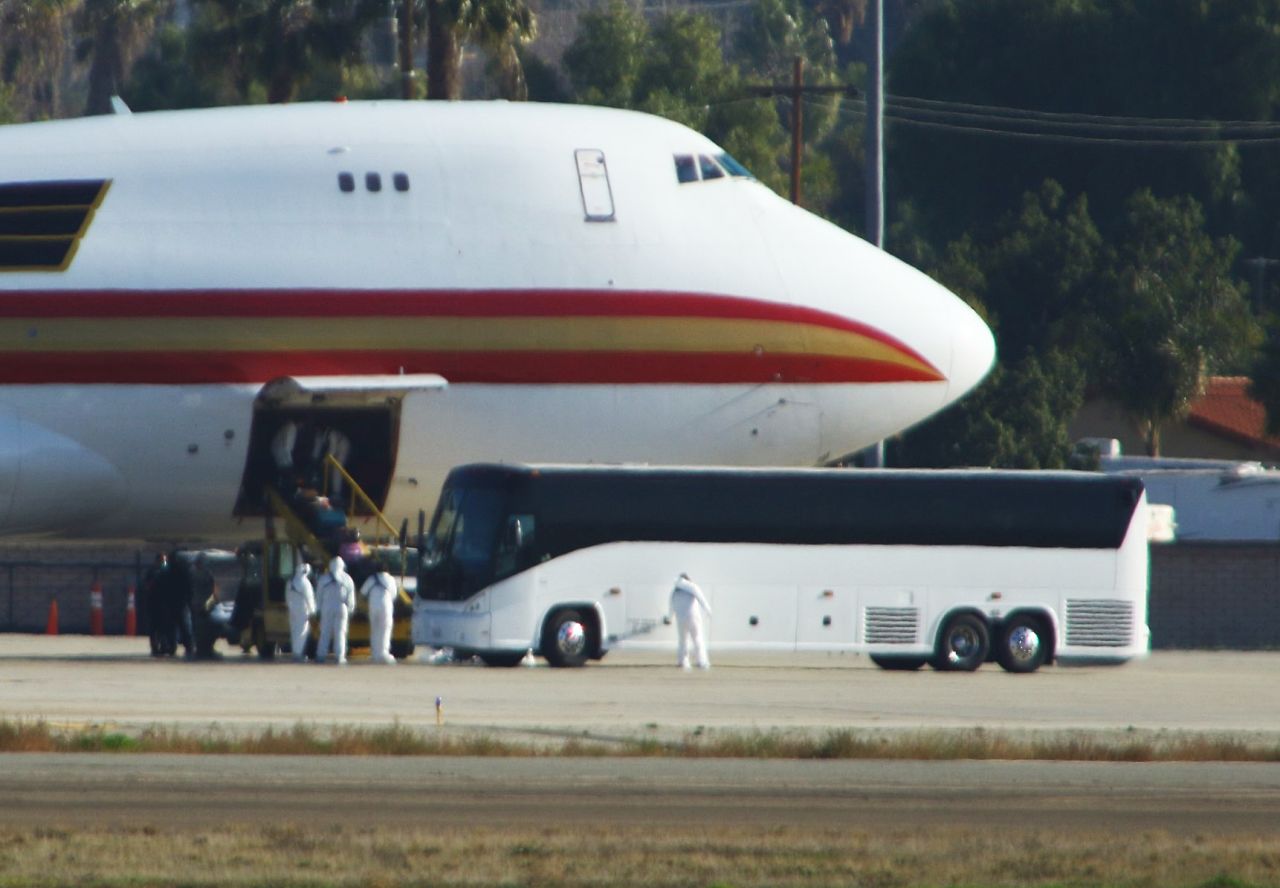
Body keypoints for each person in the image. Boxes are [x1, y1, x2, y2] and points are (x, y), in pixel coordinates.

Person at [314, 556, 355, 665]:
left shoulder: (323, 579)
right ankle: (340, 656)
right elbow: (351, 598)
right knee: (341, 633)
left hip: (326, 607)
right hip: (342, 607)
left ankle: (321, 655)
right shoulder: (347, 579)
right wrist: (350, 609)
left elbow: (318, 596)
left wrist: (317, 610)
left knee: (324, 632)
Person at [669, 572, 712, 670]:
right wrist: (708, 610)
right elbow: (702, 599)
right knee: (697, 639)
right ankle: (702, 661)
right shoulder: (692, 588)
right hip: (694, 618)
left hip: (680, 619)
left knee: (683, 641)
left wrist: (669, 618)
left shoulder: (675, 592)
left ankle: (683, 662)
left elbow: (671, 606)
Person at [360, 560, 398, 665]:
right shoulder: (390, 579)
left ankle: (375, 653)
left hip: (373, 606)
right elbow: (394, 594)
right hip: (386, 607)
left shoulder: (371, 579)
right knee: (385, 629)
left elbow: (363, 592)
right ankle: (384, 653)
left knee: (375, 630)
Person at [188, 553, 221, 660]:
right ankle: (207, 649)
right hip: (205, 606)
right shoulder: (207, 574)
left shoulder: (191, 574)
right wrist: (210, 605)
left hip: (195, 605)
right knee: (208, 628)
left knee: (197, 629)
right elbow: (214, 593)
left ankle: (200, 649)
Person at [286, 561, 316, 663]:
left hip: (292, 610)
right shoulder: (305, 583)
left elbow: (287, 597)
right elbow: (309, 598)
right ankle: (298, 654)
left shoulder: (290, 582)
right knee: (302, 633)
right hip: (303, 611)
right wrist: (312, 611)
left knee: (294, 632)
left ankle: (295, 652)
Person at [142, 553, 170, 657]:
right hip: (154, 603)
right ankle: (155, 647)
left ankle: (164, 646)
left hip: (164, 603)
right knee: (154, 628)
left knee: (164, 627)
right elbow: (147, 586)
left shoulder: (166, 572)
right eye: (162, 560)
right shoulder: (153, 572)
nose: (164, 563)